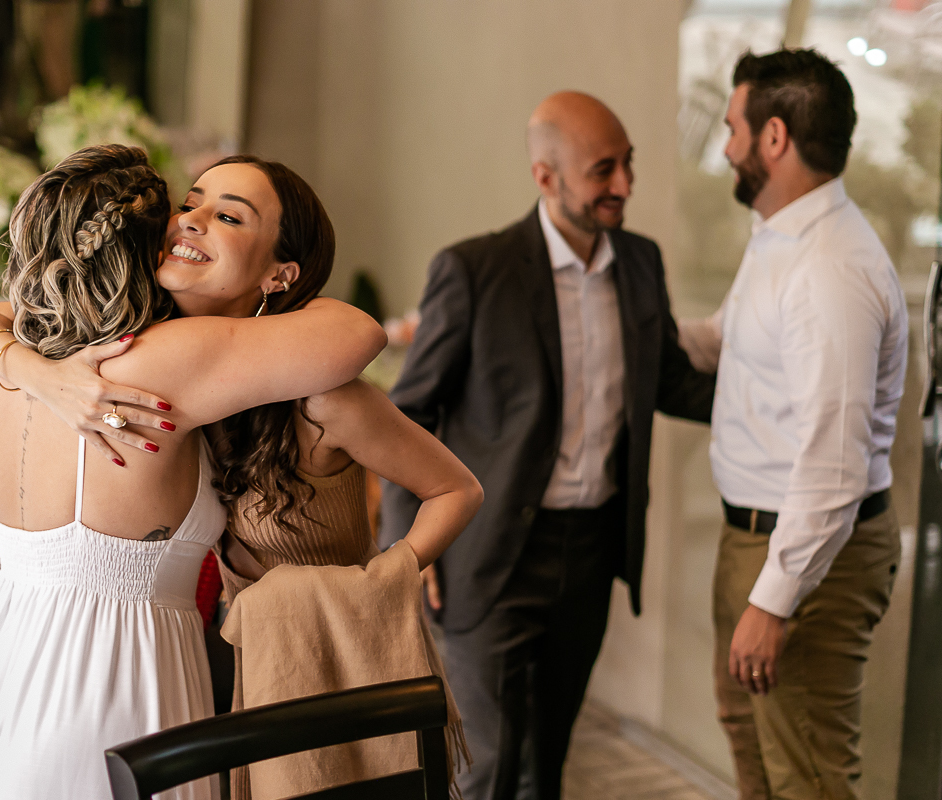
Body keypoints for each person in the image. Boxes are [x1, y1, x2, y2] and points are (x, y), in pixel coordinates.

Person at [0, 154, 482, 798]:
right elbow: (358, 331)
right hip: (119, 690)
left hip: (0, 682)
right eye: (188, 204)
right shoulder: (162, 359)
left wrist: (26, 366)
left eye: (227, 215)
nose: (190, 221)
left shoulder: (11, 371)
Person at [377, 92, 717, 800]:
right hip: (489, 551)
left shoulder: (642, 264)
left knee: (547, 764)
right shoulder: (475, 270)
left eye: (628, 165)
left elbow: (673, 383)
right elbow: (408, 415)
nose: (624, 186)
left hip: (592, 552)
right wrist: (411, 545)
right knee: (488, 764)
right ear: (545, 176)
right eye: (603, 171)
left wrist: (787, 400)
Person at [680, 49, 907, 800]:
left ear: (773, 138)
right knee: (752, 740)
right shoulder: (781, 236)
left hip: (810, 556)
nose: (725, 146)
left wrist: (773, 602)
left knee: (806, 775)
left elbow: (835, 470)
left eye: (732, 127)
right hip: (758, 537)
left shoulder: (831, 271)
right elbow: (732, 339)